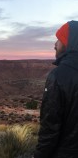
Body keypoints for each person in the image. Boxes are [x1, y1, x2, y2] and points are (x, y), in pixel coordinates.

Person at [34, 20, 78, 158]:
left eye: (58, 40)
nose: (54, 45)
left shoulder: (58, 76)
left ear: (68, 43)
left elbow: (50, 128)